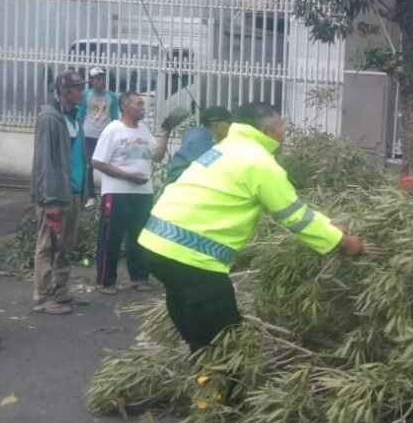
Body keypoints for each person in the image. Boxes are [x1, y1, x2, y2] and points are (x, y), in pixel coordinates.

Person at [138, 101, 367, 353]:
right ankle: (216, 386)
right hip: (193, 258)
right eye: (281, 127)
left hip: (155, 244)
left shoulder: (226, 149)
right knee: (224, 342)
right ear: (266, 132)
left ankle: (202, 372)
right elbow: (295, 217)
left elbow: (294, 209)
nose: (284, 133)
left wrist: (329, 226)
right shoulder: (260, 163)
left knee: (197, 330)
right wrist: (345, 243)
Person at [91, 91, 167, 295]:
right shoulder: (113, 130)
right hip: (117, 192)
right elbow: (98, 162)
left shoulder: (143, 130)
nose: (143, 108)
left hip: (142, 192)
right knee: (111, 237)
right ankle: (105, 280)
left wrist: (166, 133)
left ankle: (139, 277)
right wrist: (128, 176)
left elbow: (157, 157)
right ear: (125, 107)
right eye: (139, 104)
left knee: (139, 237)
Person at [31, 69, 89, 315]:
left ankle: (60, 292)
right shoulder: (50, 118)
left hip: (72, 190)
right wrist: (50, 200)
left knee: (67, 244)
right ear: (63, 90)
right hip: (54, 195)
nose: (81, 92)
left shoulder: (74, 116)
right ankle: (43, 297)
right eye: (77, 88)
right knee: (48, 245)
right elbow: (46, 162)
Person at [79, 67, 119, 209]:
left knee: (106, 165)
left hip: (105, 136)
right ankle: (90, 197)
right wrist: (80, 132)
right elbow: (81, 113)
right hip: (88, 134)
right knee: (88, 166)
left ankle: (106, 196)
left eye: (102, 79)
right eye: (97, 79)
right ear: (91, 81)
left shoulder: (112, 97)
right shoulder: (86, 95)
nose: (100, 82)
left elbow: (115, 117)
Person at [164, 106, 232, 185]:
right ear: (215, 125)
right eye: (229, 122)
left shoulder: (201, 138)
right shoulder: (199, 142)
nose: (232, 126)